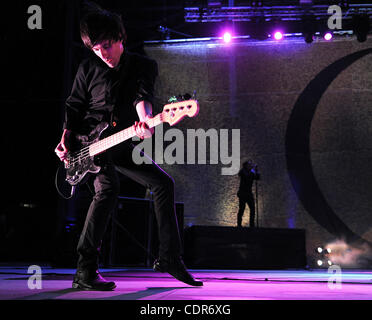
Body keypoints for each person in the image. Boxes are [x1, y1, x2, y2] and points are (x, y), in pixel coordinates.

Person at [55, 5, 202, 290]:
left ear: (120, 37)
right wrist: (65, 139)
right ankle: (84, 271)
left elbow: (141, 96)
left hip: (119, 143)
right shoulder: (87, 68)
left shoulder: (143, 65)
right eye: (97, 49)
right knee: (108, 189)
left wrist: (146, 120)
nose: (103, 54)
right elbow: (73, 105)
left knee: (163, 184)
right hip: (87, 146)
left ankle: (169, 258)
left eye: (107, 46)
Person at [236, 160, 260, 228]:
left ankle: (252, 225)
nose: (250, 165)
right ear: (245, 166)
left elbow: (257, 178)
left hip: (249, 193)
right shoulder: (242, 172)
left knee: (252, 209)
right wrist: (252, 170)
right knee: (242, 209)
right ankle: (239, 225)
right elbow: (246, 176)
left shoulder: (251, 173)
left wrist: (257, 171)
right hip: (243, 193)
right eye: (249, 164)